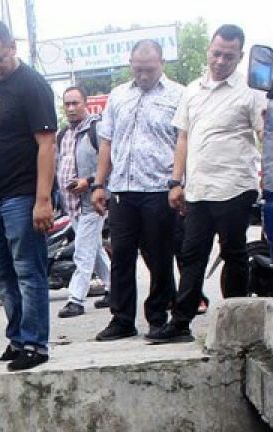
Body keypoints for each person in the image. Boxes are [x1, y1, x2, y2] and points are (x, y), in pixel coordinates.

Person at [152, 24, 266, 344]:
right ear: (208, 51)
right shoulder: (192, 91)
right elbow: (183, 139)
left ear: (240, 57)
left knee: (234, 253)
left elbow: (264, 134)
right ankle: (181, 321)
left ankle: (235, 321)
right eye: (216, 53)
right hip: (198, 190)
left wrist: (268, 171)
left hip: (235, 186)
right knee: (191, 254)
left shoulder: (251, 92)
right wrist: (176, 182)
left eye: (228, 56)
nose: (220, 61)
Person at [0, 16, 56, 371]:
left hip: (22, 194)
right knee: (1, 274)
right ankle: (17, 338)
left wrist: (43, 199)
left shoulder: (32, 85)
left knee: (27, 269)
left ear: (12, 48)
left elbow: (47, 143)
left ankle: (35, 343)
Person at [91, 40, 185, 342]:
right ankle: (121, 319)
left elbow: (184, 143)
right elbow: (106, 142)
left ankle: (158, 317)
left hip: (159, 189)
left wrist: (178, 182)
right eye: (138, 68)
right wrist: (99, 185)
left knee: (159, 258)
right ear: (130, 64)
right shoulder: (118, 96)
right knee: (121, 257)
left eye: (149, 68)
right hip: (122, 190)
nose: (143, 74)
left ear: (162, 63)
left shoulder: (178, 95)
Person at [56, 86, 111, 318]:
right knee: (94, 249)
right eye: (67, 104)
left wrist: (89, 181)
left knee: (83, 251)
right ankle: (114, 287)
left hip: (93, 202)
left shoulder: (95, 130)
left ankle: (76, 299)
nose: (71, 108)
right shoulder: (63, 134)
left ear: (85, 103)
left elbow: (109, 163)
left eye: (75, 103)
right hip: (72, 205)